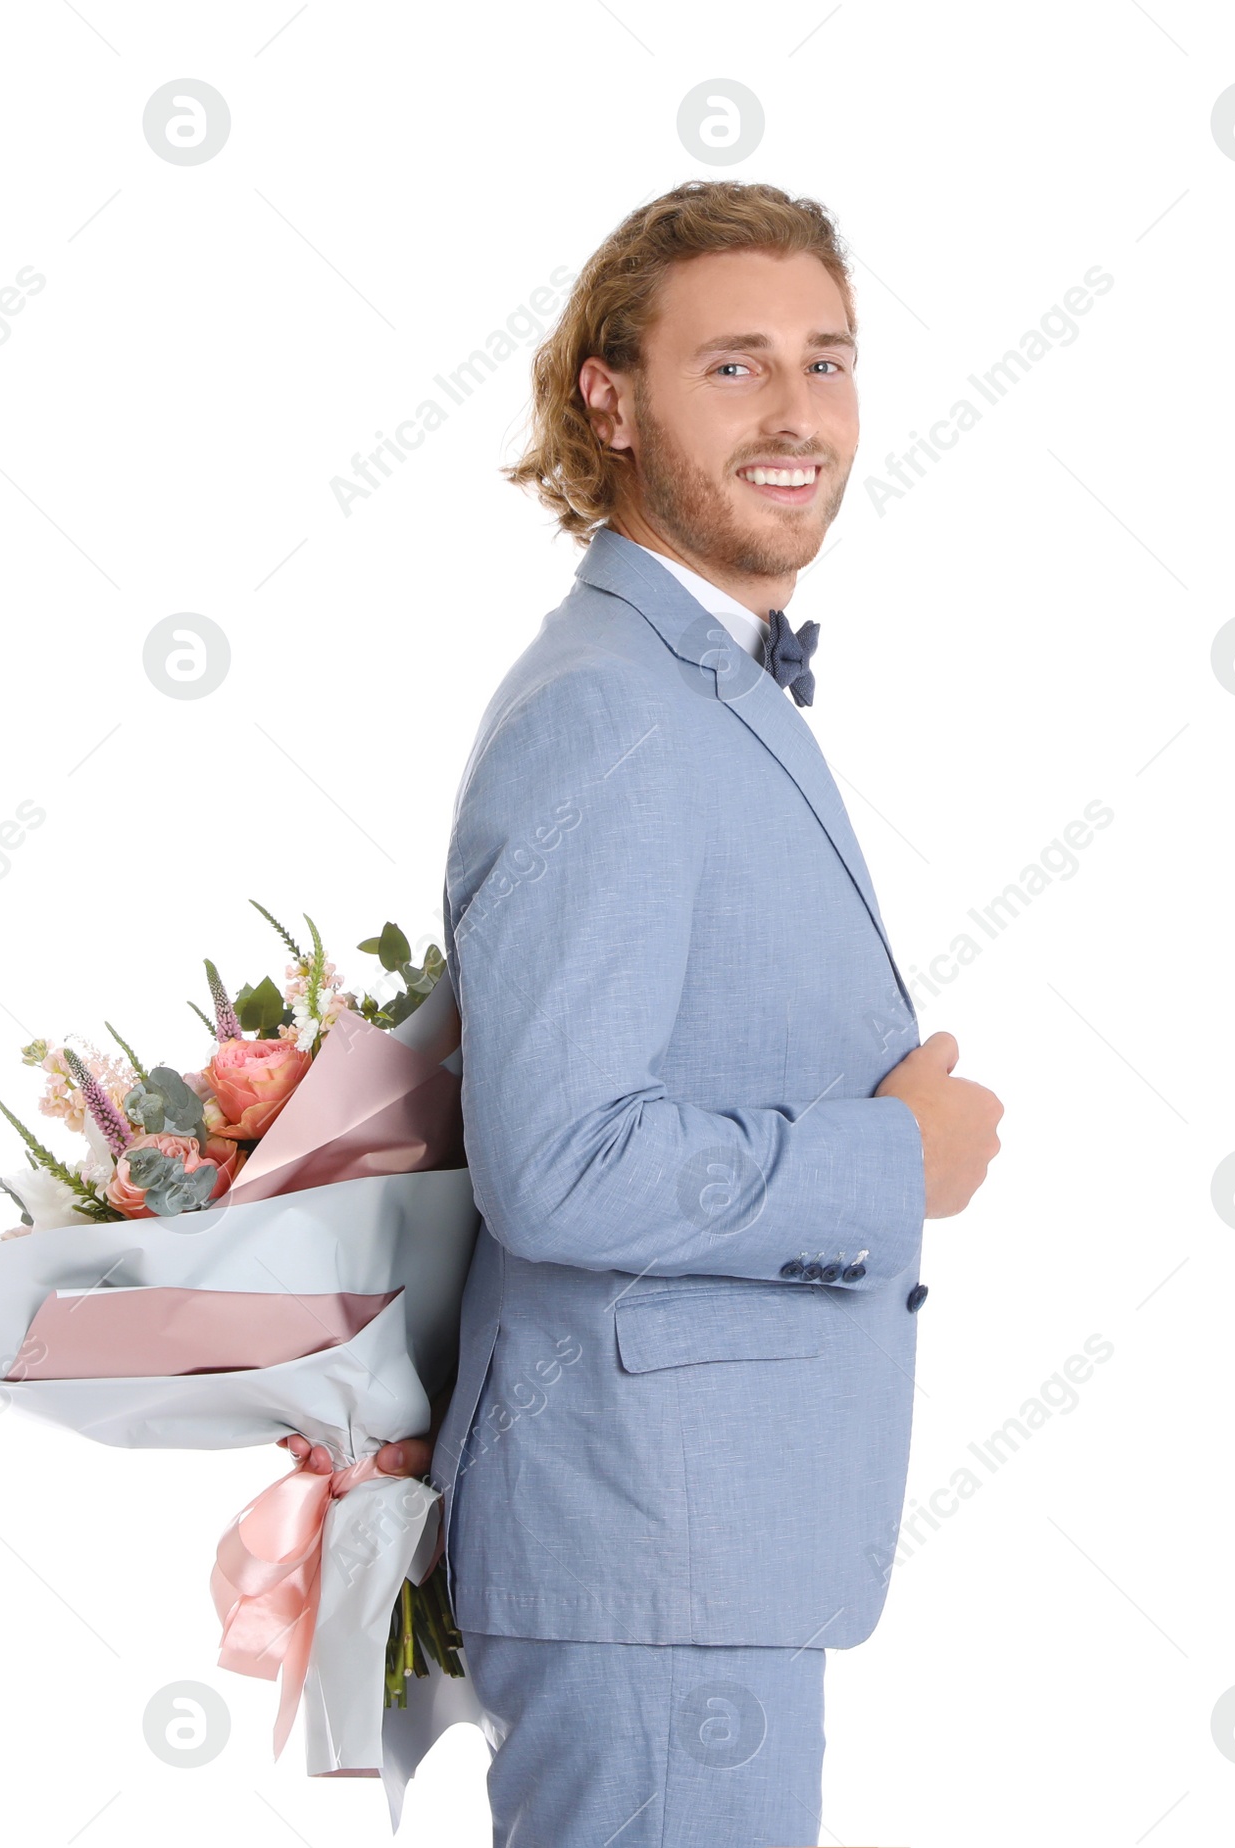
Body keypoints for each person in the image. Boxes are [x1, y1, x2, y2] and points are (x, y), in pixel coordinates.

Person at [290, 178, 1003, 1846]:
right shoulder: (607, 712)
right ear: (609, 397)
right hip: (652, 1554)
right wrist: (889, 1161)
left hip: (697, 1548)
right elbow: (564, 1164)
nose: (799, 415)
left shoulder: (692, 683)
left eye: (827, 363)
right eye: (734, 367)